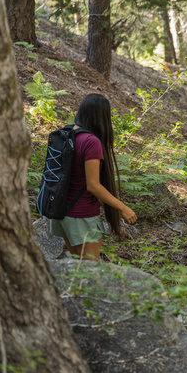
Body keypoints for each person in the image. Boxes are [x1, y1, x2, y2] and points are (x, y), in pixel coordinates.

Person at [50, 94, 137, 261]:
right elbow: (93, 185)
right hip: (82, 216)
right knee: (88, 275)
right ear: (102, 116)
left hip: (61, 214)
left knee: (77, 269)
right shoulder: (91, 141)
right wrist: (123, 208)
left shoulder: (64, 133)